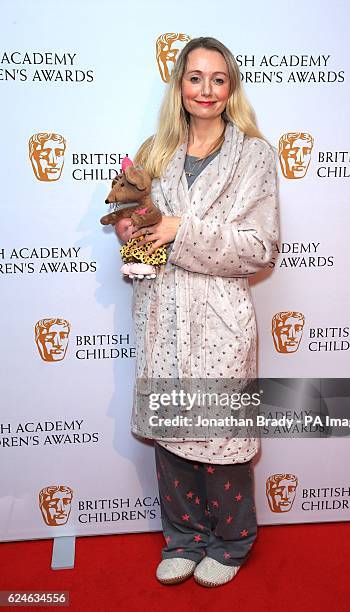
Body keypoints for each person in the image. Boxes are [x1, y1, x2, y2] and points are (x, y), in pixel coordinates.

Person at [115, 36, 279, 587]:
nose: (205, 90)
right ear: (179, 85)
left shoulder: (254, 155)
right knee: (171, 434)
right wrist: (128, 228)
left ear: (230, 87)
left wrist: (179, 230)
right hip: (163, 309)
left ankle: (231, 543)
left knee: (222, 441)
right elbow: (132, 212)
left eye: (217, 79)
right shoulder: (155, 150)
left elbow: (259, 247)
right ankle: (183, 537)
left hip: (220, 317)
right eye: (194, 77)